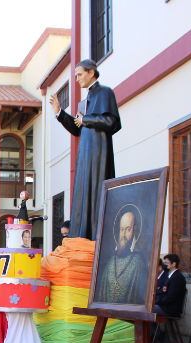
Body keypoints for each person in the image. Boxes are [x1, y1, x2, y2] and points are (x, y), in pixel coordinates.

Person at [50, 59, 121, 241]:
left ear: (91, 72)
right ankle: (81, 239)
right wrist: (60, 113)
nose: (77, 79)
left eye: (79, 74)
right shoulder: (84, 102)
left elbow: (113, 122)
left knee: (97, 196)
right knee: (82, 197)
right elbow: (77, 129)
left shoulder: (105, 92)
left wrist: (86, 119)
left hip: (99, 155)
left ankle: (97, 239)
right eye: (75, 76)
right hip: (84, 157)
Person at [95, 209, 149, 305]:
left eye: (128, 229)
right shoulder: (111, 261)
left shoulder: (139, 262)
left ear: (134, 230)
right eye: (122, 229)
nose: (123, 235)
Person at [154, 254, 187, 318]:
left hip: (170, 308)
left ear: (173, 264)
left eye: (166, 263)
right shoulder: (168, 276)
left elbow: (171, 297)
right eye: (164, 263)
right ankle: (150, 328)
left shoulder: (177, 277)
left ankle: (150, 328)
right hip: (164, 306)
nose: (164, 265)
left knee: (146, 310)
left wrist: (158, 301)